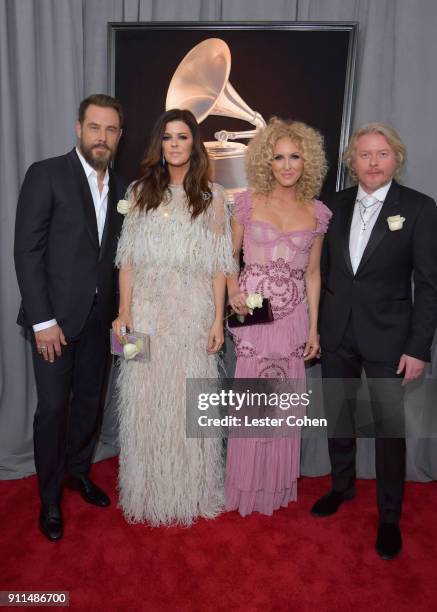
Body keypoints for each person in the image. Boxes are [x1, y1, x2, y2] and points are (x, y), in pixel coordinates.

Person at [311, 122, 437, 560]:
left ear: (396, 158)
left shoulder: (420, 208)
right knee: (340, 415)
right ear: (352, 162)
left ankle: (389, 517)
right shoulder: (334, 204)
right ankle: (341, 487)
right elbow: (320, 271)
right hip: (337, 330)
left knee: (388, 430)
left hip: (390, 337)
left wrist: (419, 347)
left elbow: (429, 283)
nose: (373, 162)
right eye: (364, 155)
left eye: (382, 154)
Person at [112, 108, 235, 526]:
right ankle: (147, 491)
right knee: (144, 401)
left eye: (182, 137)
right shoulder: (139, 190)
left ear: (194, 144)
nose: (175, 144)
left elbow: (220, 264)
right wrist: (124, 310)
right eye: (167, 137)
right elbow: (126, 260)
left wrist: (218, 319)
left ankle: (189, 490)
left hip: (191, 313)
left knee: (189, 402)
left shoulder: (213, 197)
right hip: (145, 314)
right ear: (159, 145)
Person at [14, 94, 127, 541]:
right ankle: (49, 499)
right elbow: (27, 251)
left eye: (111, 129)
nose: (102, 137)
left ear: (119, 135)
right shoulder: (46, 174)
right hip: (54, 324)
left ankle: (78, 473)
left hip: (101, 321)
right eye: (94, 128)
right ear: (79, 129)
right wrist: (43, 321)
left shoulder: (122, 187)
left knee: (88, 404)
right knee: (54, 409)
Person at [224, 118, 331, 516]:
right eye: (278, 157)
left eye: (295, 157)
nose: (287, 165)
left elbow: (314, 273)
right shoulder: (249, 201)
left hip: (293, 319)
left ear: (308, 162)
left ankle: (274, 487)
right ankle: (246, 487)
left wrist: (315, 327)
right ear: (266, 162)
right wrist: (233, 291)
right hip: (253, 314)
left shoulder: (317, 213)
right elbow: (226, 257)